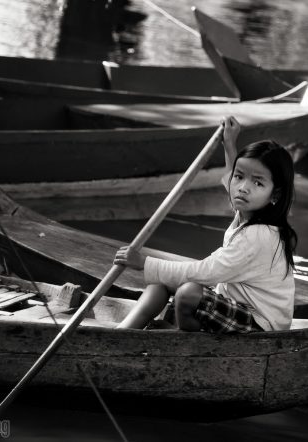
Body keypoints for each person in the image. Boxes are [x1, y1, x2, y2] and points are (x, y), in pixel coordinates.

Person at [113, 116, 297, 333]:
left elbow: (207, 272)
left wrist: (145, 263)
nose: (243, 188)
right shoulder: (249, 214)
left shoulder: (259, 235)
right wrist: (230, 145)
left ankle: (181, 335)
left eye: (258, 182)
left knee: (188, 292)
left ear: (275, 194)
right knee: (159, 282)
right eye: (239, 177)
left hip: (260, 324)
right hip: (234, 305)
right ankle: (123, 332)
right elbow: (233, 179)